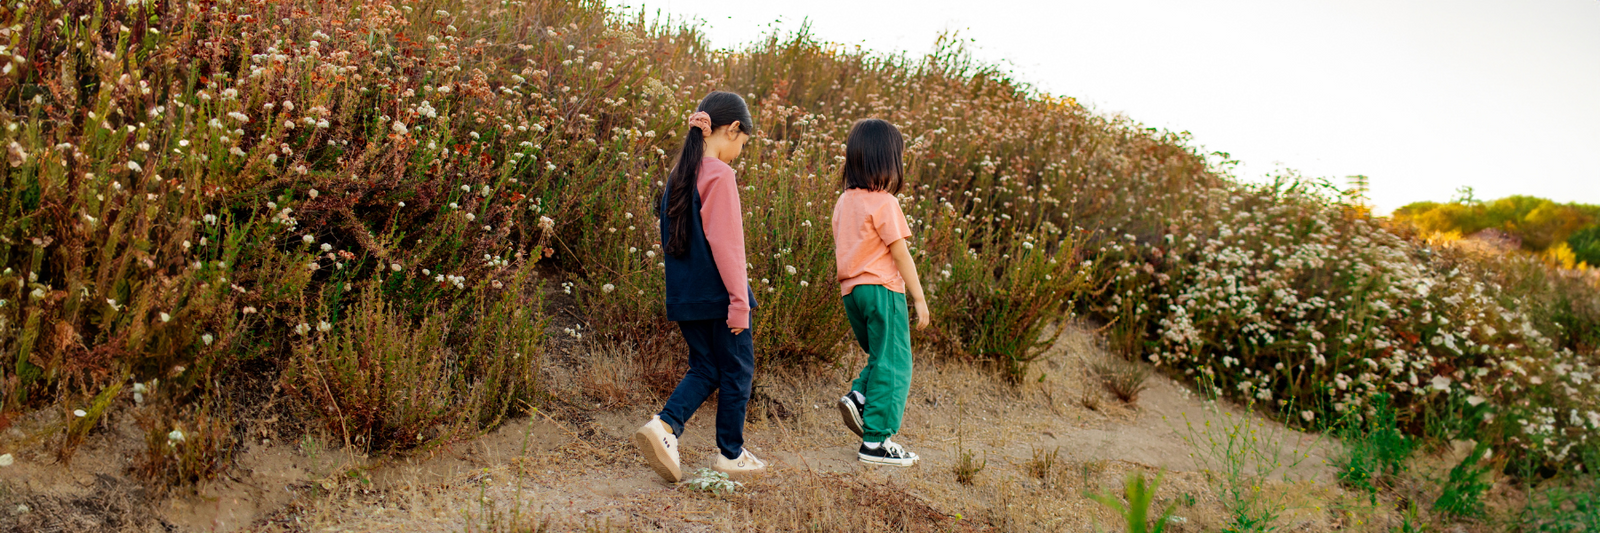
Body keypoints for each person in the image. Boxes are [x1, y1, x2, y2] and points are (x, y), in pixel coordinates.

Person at [632, 91, 766, 483]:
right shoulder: (719, 176)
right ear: (732, 130)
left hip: (686, 296)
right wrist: (739, 302)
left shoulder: (678, 176)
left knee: (706, 368)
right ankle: (731, 454)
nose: (740, 151)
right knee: (738, 370)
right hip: (721, 299)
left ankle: (665, 427)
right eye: (743, 143)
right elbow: (728, 246)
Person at [831, 118, 929, 466]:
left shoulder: (845, 201)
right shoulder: (884, 202)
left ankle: (859, 397)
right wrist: (917, 297)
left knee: (880, 355)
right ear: (888, 161)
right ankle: (876, 441)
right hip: (883, 290)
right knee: (895, 363)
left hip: (852, 293)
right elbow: (900, 253)